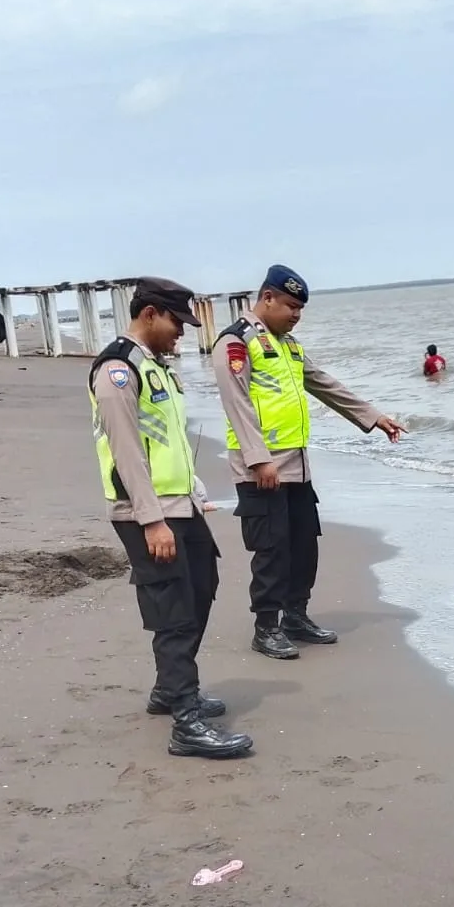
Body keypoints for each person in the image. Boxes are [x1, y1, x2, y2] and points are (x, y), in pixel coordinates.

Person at [89, 277, 252, 760]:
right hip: (147, 512)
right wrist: (152, 520)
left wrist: (194, 489)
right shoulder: (118, 370)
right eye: (176, 322)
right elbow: (125, 451)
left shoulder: (155, 367)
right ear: (151, 313)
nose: (181, 333)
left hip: (178, 504)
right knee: (174, 611)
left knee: (202, 586)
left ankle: (169, 688)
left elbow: (168, 441)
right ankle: (186, 720)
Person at [214, 265, 406, 661]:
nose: (296, 315)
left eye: (300, 309)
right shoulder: (236, 342)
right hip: (262, 470)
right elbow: (238, 404)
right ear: (267, 298)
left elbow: (324, 384)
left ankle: (295, 617)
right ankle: (266, 627)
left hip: (296, 468)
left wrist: (372, 417)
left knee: (303, 546)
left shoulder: (289, 346)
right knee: (271, 550)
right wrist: (258, 459)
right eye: (289, 306)